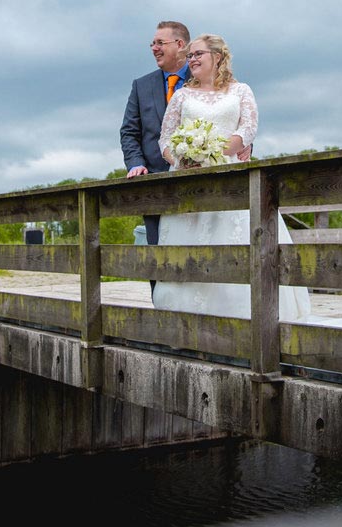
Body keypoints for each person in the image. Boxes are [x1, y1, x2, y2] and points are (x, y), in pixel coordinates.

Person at [152, 34, 313, 321]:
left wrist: (213, 153)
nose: (192, 59)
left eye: (198, 53)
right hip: (189, 181)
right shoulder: (182, 96)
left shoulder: (241, 91)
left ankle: (245, 317)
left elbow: (248, 128)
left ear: (218, 56)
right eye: (189, 56)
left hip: (230, 177)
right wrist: (182, 159)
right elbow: (165, 139)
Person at [120, 21, 193, 252]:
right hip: (154, 182)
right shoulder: (141, 86)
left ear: (180, 44)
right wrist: (136, 164)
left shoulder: (206, 76)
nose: (154, 48)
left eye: (160, 42)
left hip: (198, 181)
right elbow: (129, 132)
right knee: (157, 252)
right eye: (152, 43)